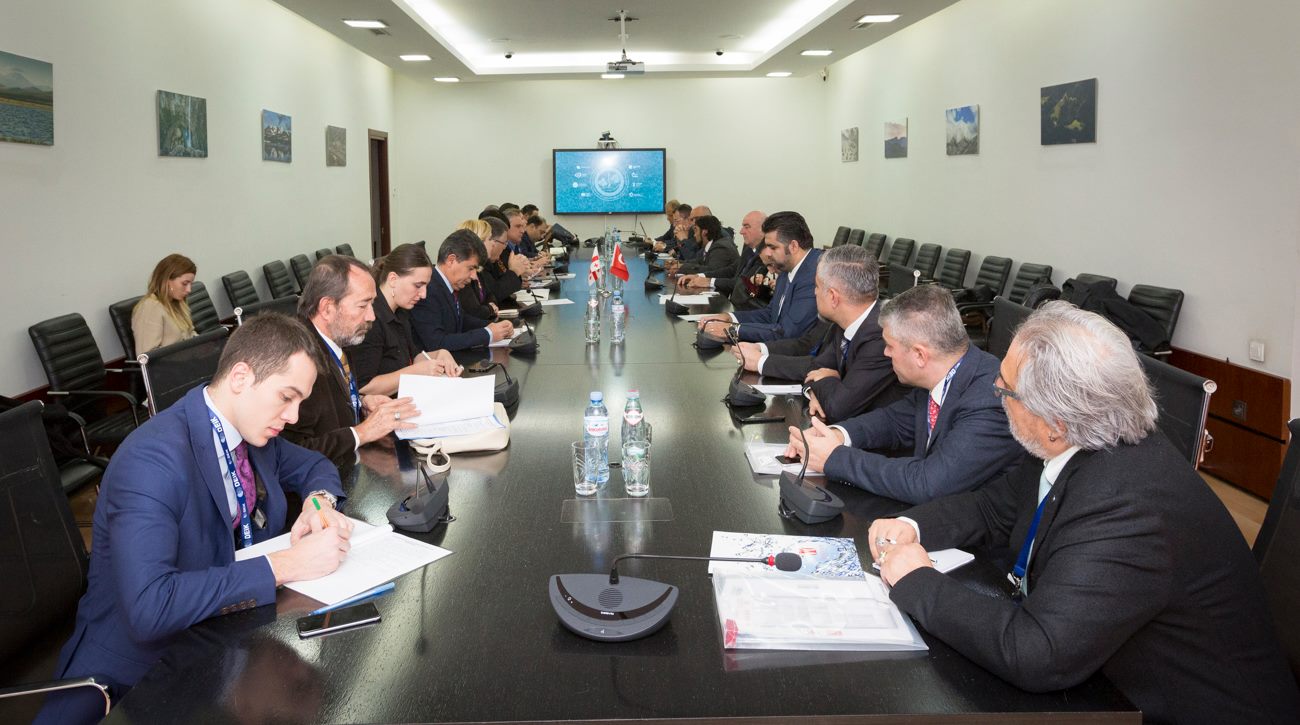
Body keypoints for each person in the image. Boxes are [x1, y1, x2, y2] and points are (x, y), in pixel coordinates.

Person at [867, 302, 1300, 724]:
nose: (996, 393)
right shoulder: (1084, 437)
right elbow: (992, 507)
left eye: (1004, 389)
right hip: (1104, 680)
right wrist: (911, 525)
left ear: (1054, 422)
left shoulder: (1127, 507)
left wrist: (917, 580)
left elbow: (1036, 651)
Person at [38, 314, 354, 725]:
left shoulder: (254, 432)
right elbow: (150, 607)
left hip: (221, 640)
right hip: (138, 678)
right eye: (286, 397)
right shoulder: (152, 460)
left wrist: (319, 502)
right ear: (240, 377)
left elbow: (315, 466)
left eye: (300, 402)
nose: (293, 416)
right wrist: (286, 565)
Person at [784, 284, 1024, 503]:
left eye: (890, 346)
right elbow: (893, 421)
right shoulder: (945, 372)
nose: (885, 353)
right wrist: (838, 435)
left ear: (920, 355)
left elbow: (929, 483)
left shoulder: (989, 399)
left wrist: (834, 458)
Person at [733, 245, 905, 423]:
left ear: (833, 297)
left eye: (817, 286)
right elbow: (816, 367)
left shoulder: (881, 336)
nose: (814, 292)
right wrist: (814, 391)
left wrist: (825, 382)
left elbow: (838, 407)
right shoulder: (846, 319)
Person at [286, 255, 419, 464]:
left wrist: (361, 403)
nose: (372, 316)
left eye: (372, 304)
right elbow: (292, 454)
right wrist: (362, 433)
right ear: (327, 308)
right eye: (363, 305)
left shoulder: (341, 338)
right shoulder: (295, 360)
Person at [346, 243, 461, 397]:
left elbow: (413, 357)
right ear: (393, 279)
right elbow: (364, 387)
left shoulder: (401, 311)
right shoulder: (371, 319)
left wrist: (439, 354)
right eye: (418, 285)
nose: (424, 294)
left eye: (426, 286)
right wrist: (415, 372)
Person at [696, 210, 822, 343]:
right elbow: (770, 314)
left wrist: (734, 330)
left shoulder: (814, 275)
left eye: (772, 247)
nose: (767, 253)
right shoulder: (787, 269)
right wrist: (729, 318)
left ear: (793, 246)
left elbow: (788, 332)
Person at [409, 230, 515, 352]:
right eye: (471, 268)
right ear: (451, 260)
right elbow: (437, 343)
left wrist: (490, 326)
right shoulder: (427, 290)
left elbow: (460, 319)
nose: (474, 276)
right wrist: (487, 334)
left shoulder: (446, 284)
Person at [677, 210, 766, 298]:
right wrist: (699, 276)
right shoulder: (748, 250)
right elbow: (731, 270)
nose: (741, 231)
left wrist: (709, 281)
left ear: (763, 229)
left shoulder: (766, 255)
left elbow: (743, 284)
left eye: (747, 227)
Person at [131, 253, 197, 352]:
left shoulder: (177, 303)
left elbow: (189, 334)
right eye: (184, 283)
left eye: (191, 284)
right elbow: (147, 355)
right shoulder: (150, 307)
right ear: (166, 280)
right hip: (174, 361)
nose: (189, 290)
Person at [669, 215, 739, 278]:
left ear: (704, 232)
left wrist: (683, 267)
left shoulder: (721, 247)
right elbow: (698, 261)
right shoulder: (710, 244)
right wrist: (677, 263)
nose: (694, 235)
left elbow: (712, 270)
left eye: (696, 230)